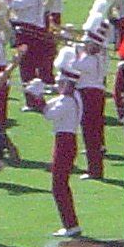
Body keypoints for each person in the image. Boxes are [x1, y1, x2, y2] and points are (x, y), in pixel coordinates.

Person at [25, 52, 82, 237]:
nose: (57, 85)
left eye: (60, 82)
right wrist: (36, 95)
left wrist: (38, 95)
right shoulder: (73, 97)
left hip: (64, 141)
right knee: (60, 184)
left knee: (58, 185)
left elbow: (49, 114)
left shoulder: (67, 100)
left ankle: (71, 225)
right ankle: (70, 224)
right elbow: (49, 106)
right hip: (66, 140)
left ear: (67, 83)